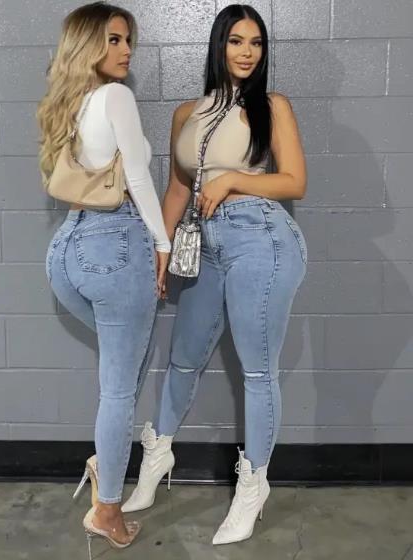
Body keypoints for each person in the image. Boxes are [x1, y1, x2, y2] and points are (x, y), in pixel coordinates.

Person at [123, 3, 308, 546]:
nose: (247, 52)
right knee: (184, 356)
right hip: (205, 243)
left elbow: (294, 181)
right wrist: (160, 248)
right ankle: (158, 456)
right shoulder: (186, 112)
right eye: (236, 41)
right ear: (219, 45)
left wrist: (232, 181)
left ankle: (253, 485)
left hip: (262, 238)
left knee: (258, 370)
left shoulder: (272, 106)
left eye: (256, 43)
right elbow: (179, 188)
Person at [36, 2, 171, 553]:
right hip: (116, 244)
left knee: (128, 360)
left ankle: (104, 462)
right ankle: (108, 510)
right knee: (118, 385)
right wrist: (162, 242)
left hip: (67, 248)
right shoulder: (116, 96)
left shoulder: (69, 101)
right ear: (88, 43)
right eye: (114, 39)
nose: (126, 50)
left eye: (127, 40)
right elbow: (136, 175)